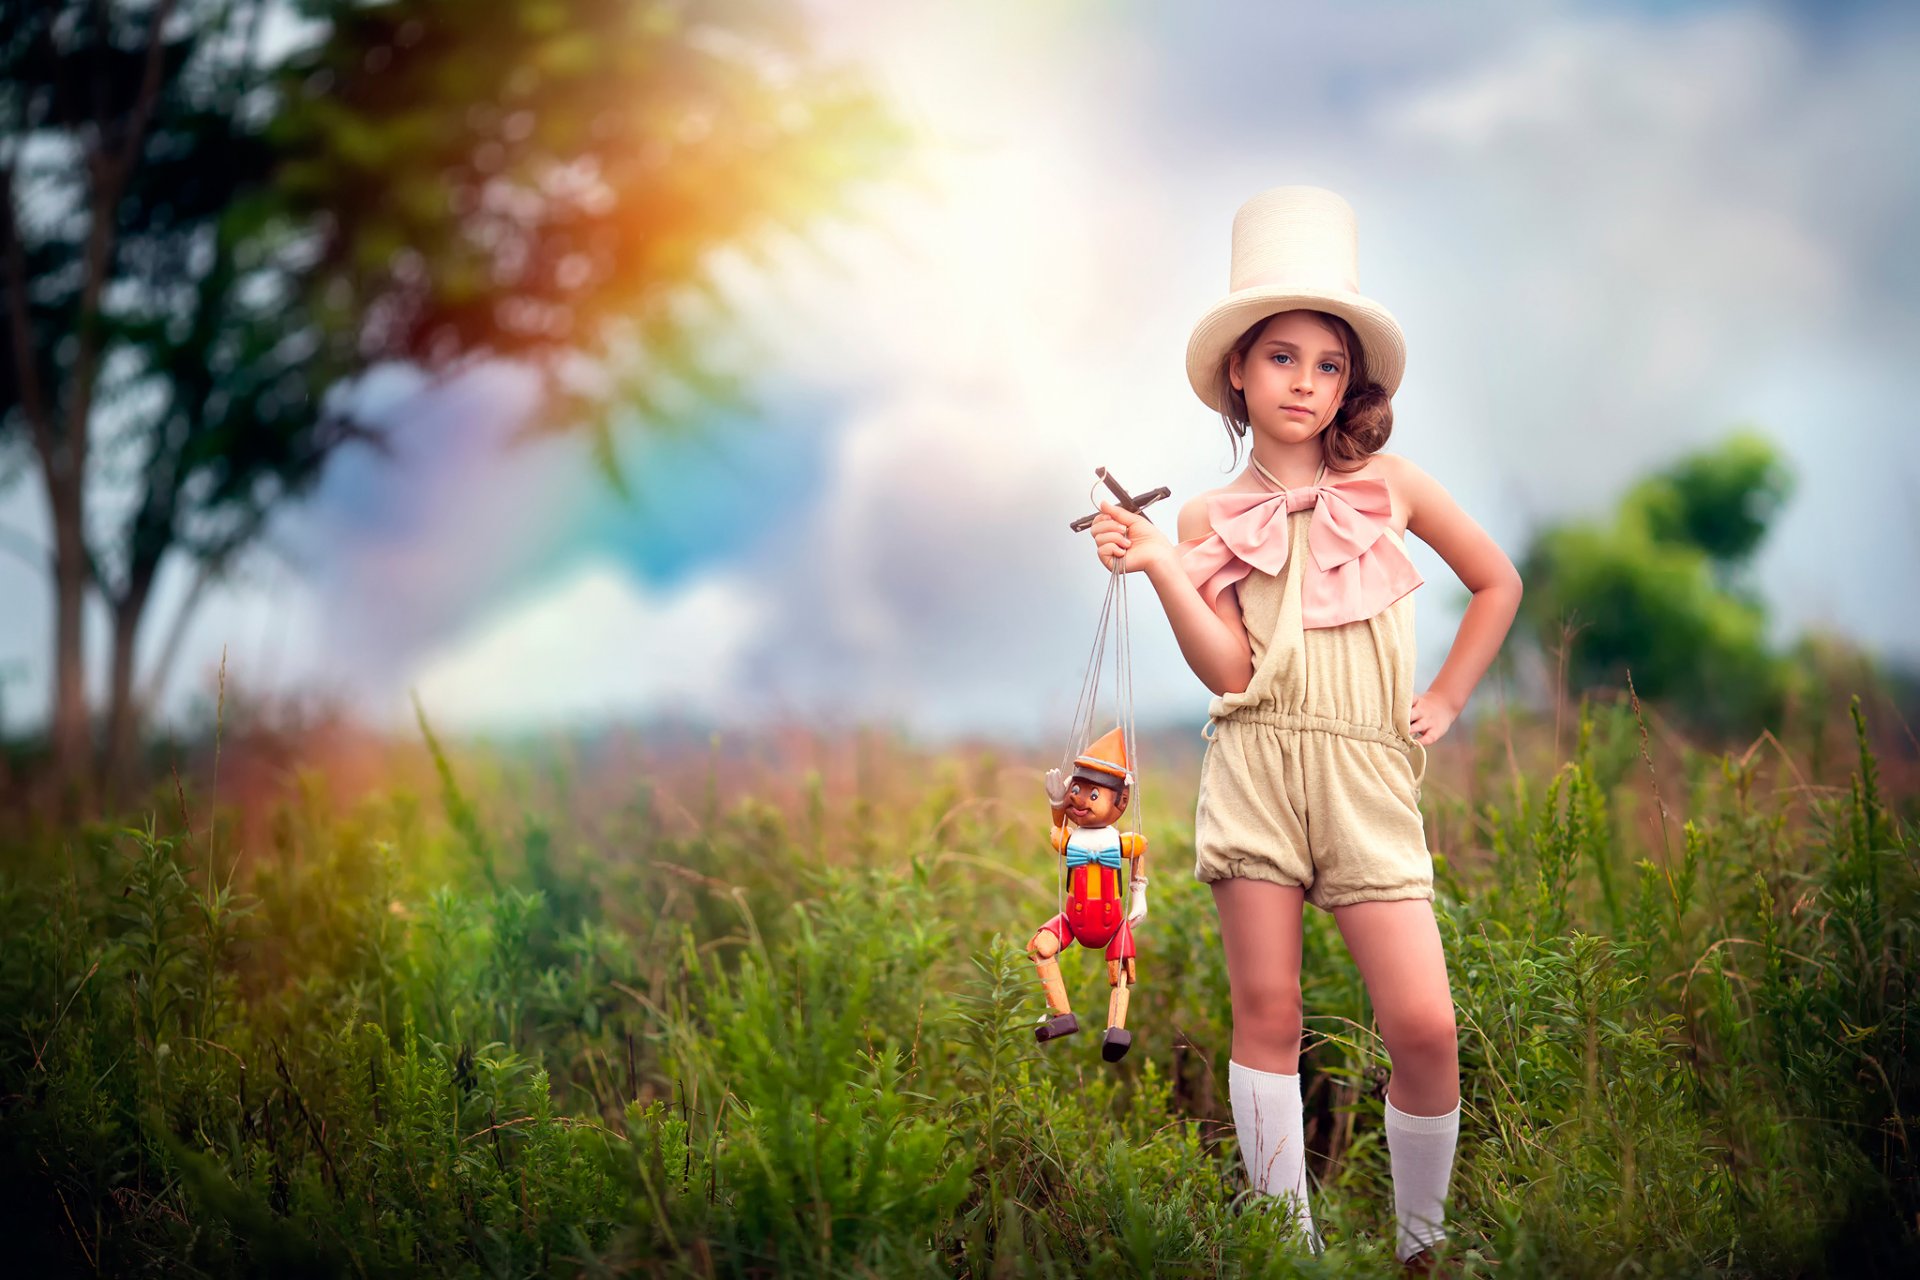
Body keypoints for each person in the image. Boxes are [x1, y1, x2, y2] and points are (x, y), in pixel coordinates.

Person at [1087, 186, 1522, 1268]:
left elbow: (1497, 581)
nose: (1307, 383)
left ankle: (1424, 1244)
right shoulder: (1203, 517)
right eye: (1282, 358)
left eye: (1329, 365)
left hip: (1369, 774)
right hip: (1256, 766)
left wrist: (1449, 698)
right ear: (1238, 368)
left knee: (1424, 1025)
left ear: (1351, 383)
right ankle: (1291, 1247)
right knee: (1268, 1011)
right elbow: (1228, 666)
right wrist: (1157, 569)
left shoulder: (1393, 486)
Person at [1030, 727, 1149, 1062]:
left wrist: (1139, 894)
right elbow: (1057, 831)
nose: (1079, 800)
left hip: (1111, 923)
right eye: (1076, 790)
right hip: (1074, 920)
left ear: (1121, 801)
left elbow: (1139, 855)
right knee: (1041, 947)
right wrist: (1056, 803)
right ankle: (1062, 1015)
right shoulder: (1072, 839)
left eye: (1092, 795)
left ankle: (1116, 1031)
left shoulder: (1121, 842)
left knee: (1121, 972)